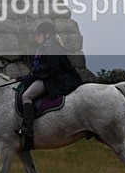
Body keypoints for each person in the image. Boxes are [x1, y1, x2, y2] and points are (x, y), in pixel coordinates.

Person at [18, 21, 84, 150]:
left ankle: (27, 130)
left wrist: (31, 76)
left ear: (46, 34)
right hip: (48, 77)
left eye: (38, 35)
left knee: (26, 96)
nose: (36, 37)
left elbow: (49, 68)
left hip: (55, 80)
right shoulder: (45, 48)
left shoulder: (53, 48)